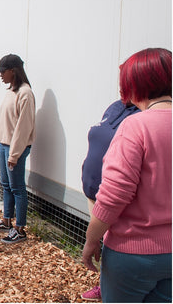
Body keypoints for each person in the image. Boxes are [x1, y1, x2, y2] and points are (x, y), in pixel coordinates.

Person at [82, 48, 172, 303]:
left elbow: (114, 196)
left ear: (134, 83)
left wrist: (92, 239)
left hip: (133, 252)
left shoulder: (135, 126)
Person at [79, 99, 139, 301]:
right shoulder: (116, 107)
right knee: (106, 246)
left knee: (115, 247)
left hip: (115, 199)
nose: (121, 86)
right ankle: (105, 285)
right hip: (94, 193)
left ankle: (114, 289)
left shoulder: (142, 114)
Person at [0, 54, 35, 244]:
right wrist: (1, 143)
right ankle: (6, 221)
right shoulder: (11, 92)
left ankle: (20, 229)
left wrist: (14, 154)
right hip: (5, 145)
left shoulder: (25, 94)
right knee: (6, 185)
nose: (0, 76)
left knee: (17, 188)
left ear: (13, 71)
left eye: (2, 72)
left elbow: (23, 128)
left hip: (16, 148)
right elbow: (7, 122)